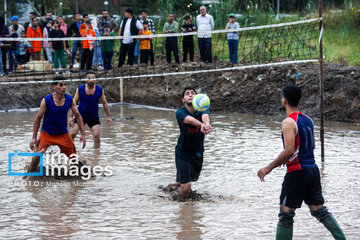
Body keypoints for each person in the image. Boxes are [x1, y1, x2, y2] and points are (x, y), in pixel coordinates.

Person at [257, 85, 346, 240]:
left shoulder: (288, 122)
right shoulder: (308, 119)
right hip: (312, 170)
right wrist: (290, 157)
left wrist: (269, 167)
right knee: (318, 210)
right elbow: (312, 146)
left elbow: (290, 150)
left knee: (286, 213)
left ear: (284, 100)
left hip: (297, 172)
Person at [27, 76, 86, 174]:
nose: (64, 87)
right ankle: (31, 172)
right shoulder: (46, 100)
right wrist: (34, 138)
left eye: (65, 85)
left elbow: (78, 116)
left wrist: (83, 134)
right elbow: (38, 119)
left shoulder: (69, 99)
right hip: (47, 133)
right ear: (54, 87)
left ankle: (74, 181)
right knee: (39, 153)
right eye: (61, 85)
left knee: (74, 161)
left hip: (63, 134)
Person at [170, 87, 212, 199]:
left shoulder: (203, 109)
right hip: (183, 153)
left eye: (193, 93)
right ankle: (185, 211)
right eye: (187, 94)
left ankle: (178, 182)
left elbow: (205, 116)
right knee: (186, 188)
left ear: (196, 97)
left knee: (192, 179)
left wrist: (207, 124)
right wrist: (202, 125)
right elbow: (189, 120)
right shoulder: (180, 112)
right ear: (183, 99)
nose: (190, 95)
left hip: (198, 153)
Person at [69, 71, 112, 149]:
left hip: (93, 116)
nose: (91, 80)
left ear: (95, 79)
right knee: (72, 134)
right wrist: (70, 117)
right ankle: (71, 151)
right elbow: (73, 103)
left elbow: (105, 103)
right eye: (89, 78)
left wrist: (108, 116)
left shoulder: (99, 90)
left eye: (93, 78)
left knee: (97, 137)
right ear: (86, 79)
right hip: (80, 116)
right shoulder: (80, 89)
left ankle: (96, 156)